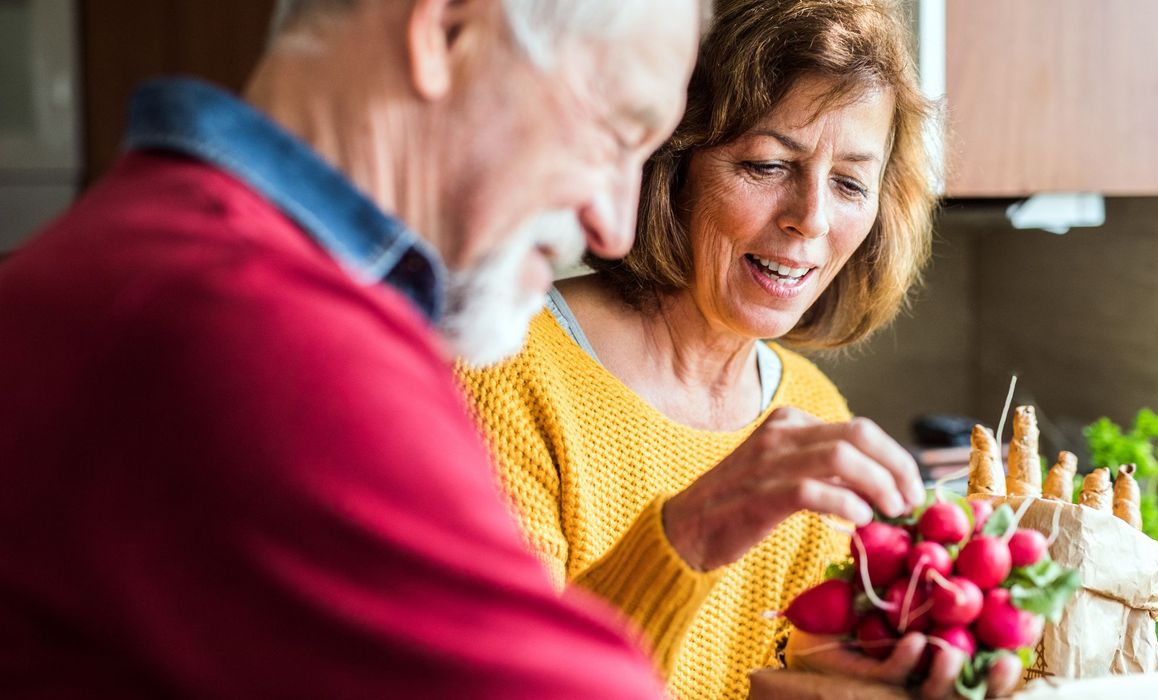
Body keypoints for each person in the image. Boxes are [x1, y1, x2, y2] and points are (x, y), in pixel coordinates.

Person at [0, 0, 704, 696]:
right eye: (615, 134)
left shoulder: (151, 245)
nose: (615, 225)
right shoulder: (262, 331)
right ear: (447, 33)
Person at [460, 0, 1021, 698]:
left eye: (849, 182)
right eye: (765, 164)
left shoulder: (812, 411)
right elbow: (500, 681)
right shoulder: (501, 372)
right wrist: (685, 538)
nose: (809, 218)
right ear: (672, 164)